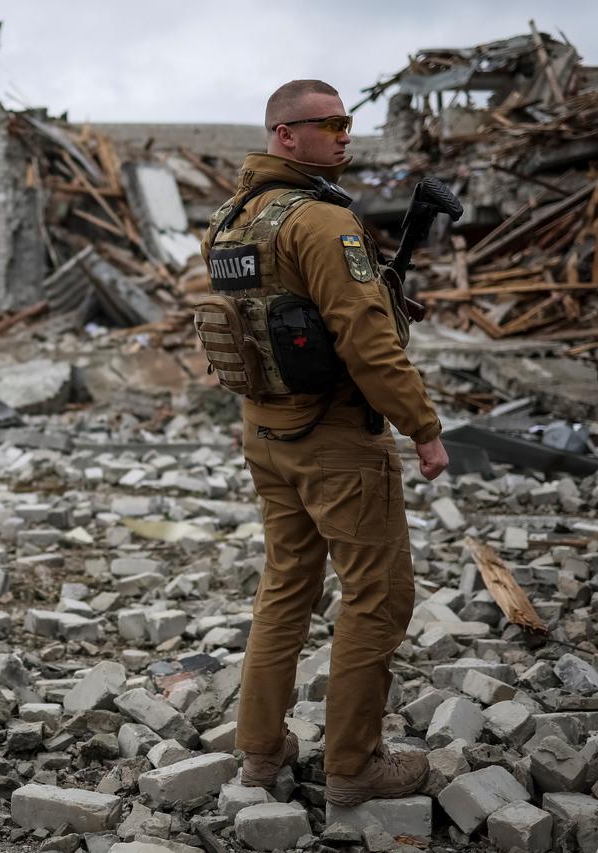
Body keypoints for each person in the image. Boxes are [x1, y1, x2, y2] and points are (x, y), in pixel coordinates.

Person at [196, 79, 449, 807]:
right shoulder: (319, 223)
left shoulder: (231, 219)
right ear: (284, 135)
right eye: (328, 123)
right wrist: (423, 428)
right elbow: (367, 344)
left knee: (284, 591)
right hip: (338, 440)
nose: (344, 133)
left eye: (347, 121)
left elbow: (268, 319)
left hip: (266, 433)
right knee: (377, 597)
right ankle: (354, 765)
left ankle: (260, 753)